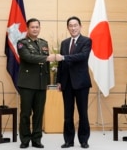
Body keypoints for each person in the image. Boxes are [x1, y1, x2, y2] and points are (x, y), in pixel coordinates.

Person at [17, 18, 55, 148]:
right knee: (25, 113)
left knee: (39, 114)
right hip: (27, 84)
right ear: (27, 29)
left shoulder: (43, 43)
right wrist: (46, 58)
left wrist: (48, 82)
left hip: (40, 84)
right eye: (32, 27)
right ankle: (25, 139)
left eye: (37, 27)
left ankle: (37, 139)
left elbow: (47, 64)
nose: (35, 29)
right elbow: (28, 57)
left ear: (40, 28)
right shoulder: (22, 43)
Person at [56, 16, 92, 149]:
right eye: (70, 26)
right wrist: (58, 81)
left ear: (80, 26)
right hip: (66, 83)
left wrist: (65, 57)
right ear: (68, 28)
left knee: (83, 113)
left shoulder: (86, 41)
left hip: (81, 83)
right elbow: (61, 64)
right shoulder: (64, 43)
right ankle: (68, 141)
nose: (73, 28)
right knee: (67, 113)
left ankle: (84, 140)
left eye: (75, 25)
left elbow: (83, 56)